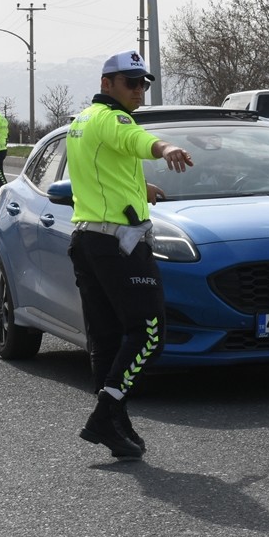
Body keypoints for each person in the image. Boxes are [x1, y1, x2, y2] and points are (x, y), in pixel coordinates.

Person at [65, 50, 194, 461]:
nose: (140, 90)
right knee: (150, 335)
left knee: (104, 339)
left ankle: (117, 425)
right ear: (108, 85)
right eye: (131, 82)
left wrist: (142, 188)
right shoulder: (115, 119)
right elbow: (134, 139)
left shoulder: (82, 122)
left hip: (88, 240)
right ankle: (105, 416)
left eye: (144, 83)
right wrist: (165, 146)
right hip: (119, 244)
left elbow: (105, 165)